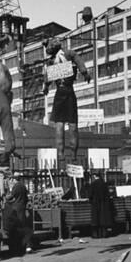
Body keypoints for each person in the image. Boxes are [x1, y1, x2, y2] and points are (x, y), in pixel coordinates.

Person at [41, 37, 91, 167]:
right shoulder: (69, 53)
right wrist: (84, 72)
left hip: (59, 92)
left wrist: (46, 87)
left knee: (59, 125)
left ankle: (61, 154)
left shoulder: (51, 61)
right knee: (73, 125)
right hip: (69, 91)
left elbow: (46, 80)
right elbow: (79, 61)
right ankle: (73, 155)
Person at [2, 172, 33, 255]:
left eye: (12, 179)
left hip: (16, 209)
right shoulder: (23, 186)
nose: (11, 180)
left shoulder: (16, 187)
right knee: (24, 227)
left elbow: (11, 196)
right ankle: (27, 246)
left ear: (15, 179)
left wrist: (6, 197)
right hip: (22, 208)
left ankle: (25, 245)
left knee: (20, 228)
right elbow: (26, 198)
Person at [89, 172, 113, 238]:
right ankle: (104, 234)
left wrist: (91, 200)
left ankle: (96, 235)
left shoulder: (93, 184)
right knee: (103, 219)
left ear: (94, 176)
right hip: (104, 203)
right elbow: (108, 194)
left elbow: (90, 195)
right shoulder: (104, 184)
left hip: (95, 203)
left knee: (96, 219)